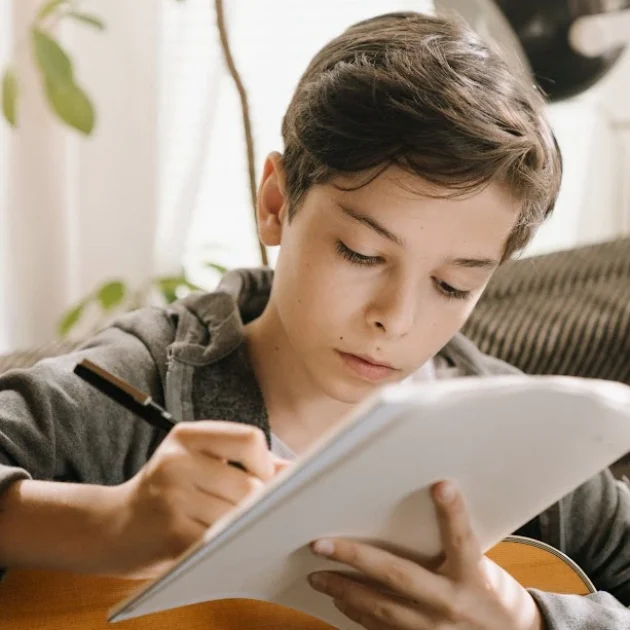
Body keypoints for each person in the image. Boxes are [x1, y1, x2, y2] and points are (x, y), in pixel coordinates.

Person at [0, 10, 628, 630]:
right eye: (361, 253)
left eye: (452, 284)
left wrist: (529, 619)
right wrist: (110, 522)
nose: (396, 318)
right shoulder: (139, 378)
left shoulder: (526, 435)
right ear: (276, 203)